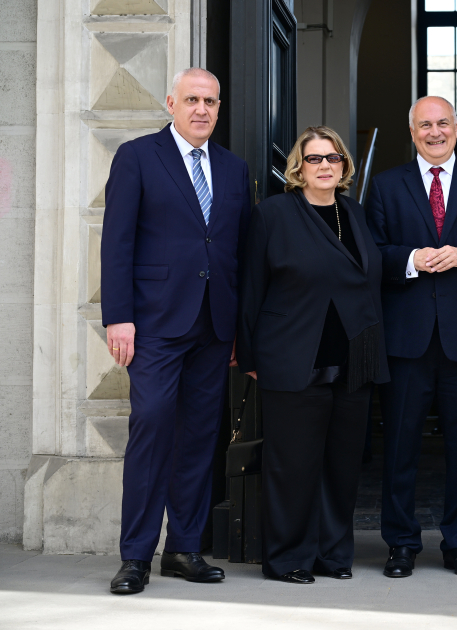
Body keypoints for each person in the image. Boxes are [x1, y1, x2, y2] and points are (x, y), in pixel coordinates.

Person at [101, 68, 252, 594]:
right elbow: (116, 241)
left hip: (214, 324)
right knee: (151, 427)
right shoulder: (138, 156)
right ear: (171, 103)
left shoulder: (233, 168)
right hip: (153, 323)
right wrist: (118, 316)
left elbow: (239, 253)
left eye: (210, 101)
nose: (201, 109)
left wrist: (239, 328)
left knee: (198, 437)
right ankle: (136, 556)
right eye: (192, 100)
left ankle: (184, 548)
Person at [236, 126, 389, 584]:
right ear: (299, 168)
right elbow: (251, 288)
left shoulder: (354, 212)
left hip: (352, 358)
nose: (325, 166)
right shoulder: (273, 214)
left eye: (333, 157)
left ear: (344, 166)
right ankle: (288, 558)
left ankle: (332, 555)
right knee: (293, 467)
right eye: (315, 158)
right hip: (292, 356)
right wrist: (250, 356)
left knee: (341, 467)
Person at [366, 96, 457, 578]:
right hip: (406, 339)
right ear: (412, 132)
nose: (434, 132)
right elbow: (372, 252)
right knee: (400, 447)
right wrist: (410, 260)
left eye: (442, 123)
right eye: (424, 125)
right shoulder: (386, 185)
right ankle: (401, 543)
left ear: (456, 128)